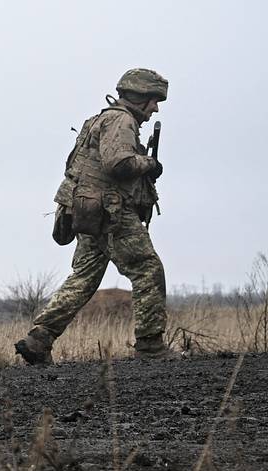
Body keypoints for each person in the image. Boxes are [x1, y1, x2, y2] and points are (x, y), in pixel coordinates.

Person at [16, 68, 172, 365]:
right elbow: (118, 164)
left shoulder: (102, 118)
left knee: (84, 279)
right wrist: (149, 163)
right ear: (139, 97)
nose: (155, 108)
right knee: (148, 269)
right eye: (153, 101)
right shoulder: (121, 121)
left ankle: (38, 339)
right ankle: (151, 346)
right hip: (112, 214)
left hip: (91, 214)